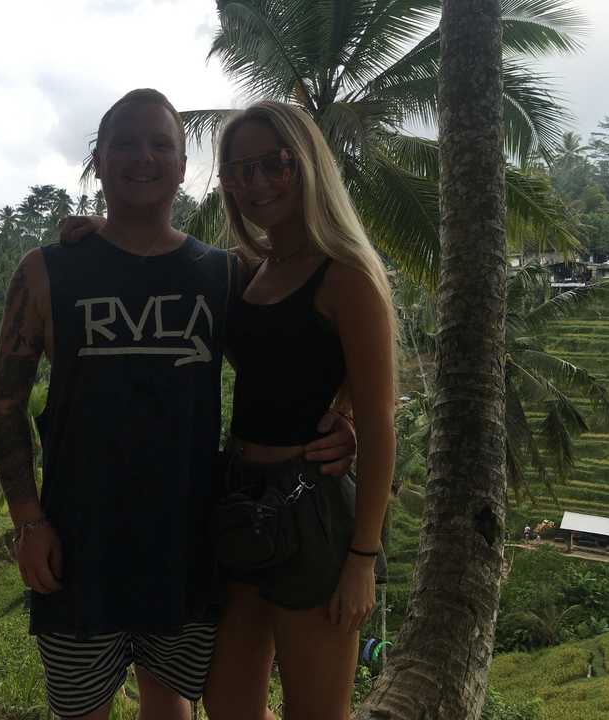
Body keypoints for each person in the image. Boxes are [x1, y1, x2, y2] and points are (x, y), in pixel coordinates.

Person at [0, 88, 356, 720]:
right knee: (80, 708)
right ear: (97, 161)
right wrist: (27, 517)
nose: (143, 157)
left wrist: (344, 413)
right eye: (125, 144)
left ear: (185, 167)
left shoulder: (223, 273)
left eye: (162, 144)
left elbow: (298, 347)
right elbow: (4, 407)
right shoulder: (45, 272)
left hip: (188, 544)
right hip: (78, 542)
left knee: (172, 700)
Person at [198, 101, 395, 720]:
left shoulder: (347, 277)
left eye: (274, 163)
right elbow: (162, 258)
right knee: (227, 703)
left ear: (305, 163)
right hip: (239, 497)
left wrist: (362, 561)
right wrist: (103, 231)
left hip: (309, 505)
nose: (256, 183)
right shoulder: (247, 274)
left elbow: (382, 420)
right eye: (238, 171)